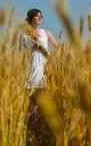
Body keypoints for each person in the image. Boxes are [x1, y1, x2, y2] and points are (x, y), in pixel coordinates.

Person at [19, 9, 58, 146]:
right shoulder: (24, 35)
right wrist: (36, 45)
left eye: (41, 16)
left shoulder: (46, 33)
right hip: (31, 73)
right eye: (37, 16)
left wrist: (52, 59)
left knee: (44, 106)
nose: (40, 17)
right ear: (31, 18)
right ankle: (31, 137)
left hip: (44, 72)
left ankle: (44, 136)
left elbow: (58, 47)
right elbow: (22, 53)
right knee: (32, 108)